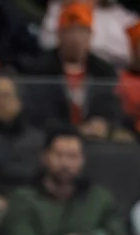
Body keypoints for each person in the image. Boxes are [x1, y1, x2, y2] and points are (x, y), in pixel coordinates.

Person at [4, 129, 140, 235]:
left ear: (83, 160)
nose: (65, 163)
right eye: (58, 156)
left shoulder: (99, 196)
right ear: (45, 157)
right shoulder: (24, 197)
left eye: (72, 157)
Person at [28, 0, 119, 137]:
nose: (76, 38)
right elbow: (37, 113)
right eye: (70, 31)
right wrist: (73, 130)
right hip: (52, 137)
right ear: (59, 35)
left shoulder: (105, 71)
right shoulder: (40, 69)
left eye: (82, 31)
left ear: (90, 36)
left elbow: (111, 107)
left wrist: (104, 123)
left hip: (95, 140)